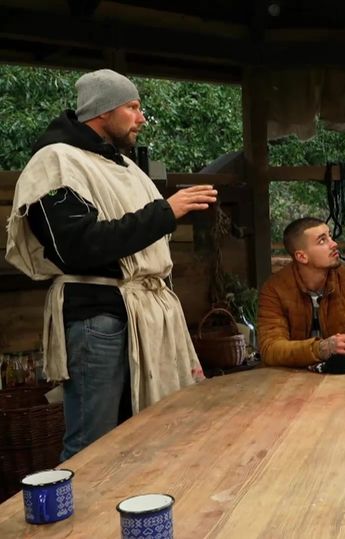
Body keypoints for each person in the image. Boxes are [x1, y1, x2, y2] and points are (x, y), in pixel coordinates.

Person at [5, 69, 217, 460]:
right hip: (98, 317)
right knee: (94, 444)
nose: (142, 118)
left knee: (150, 435)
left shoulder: (123, 166)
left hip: (144, 313)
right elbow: (78, 247)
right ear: (103, 111)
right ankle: (85, 503)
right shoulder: (56, 163)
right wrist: (164, 212)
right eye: (132, 107)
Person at [258, 218, 345, 369]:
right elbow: (270, 348)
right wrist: (320, 349)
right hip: (291, 378)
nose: (334, 244)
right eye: (322, 241)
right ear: (302, 256)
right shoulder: (274, 289)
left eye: (330, 236)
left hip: (342, 376)